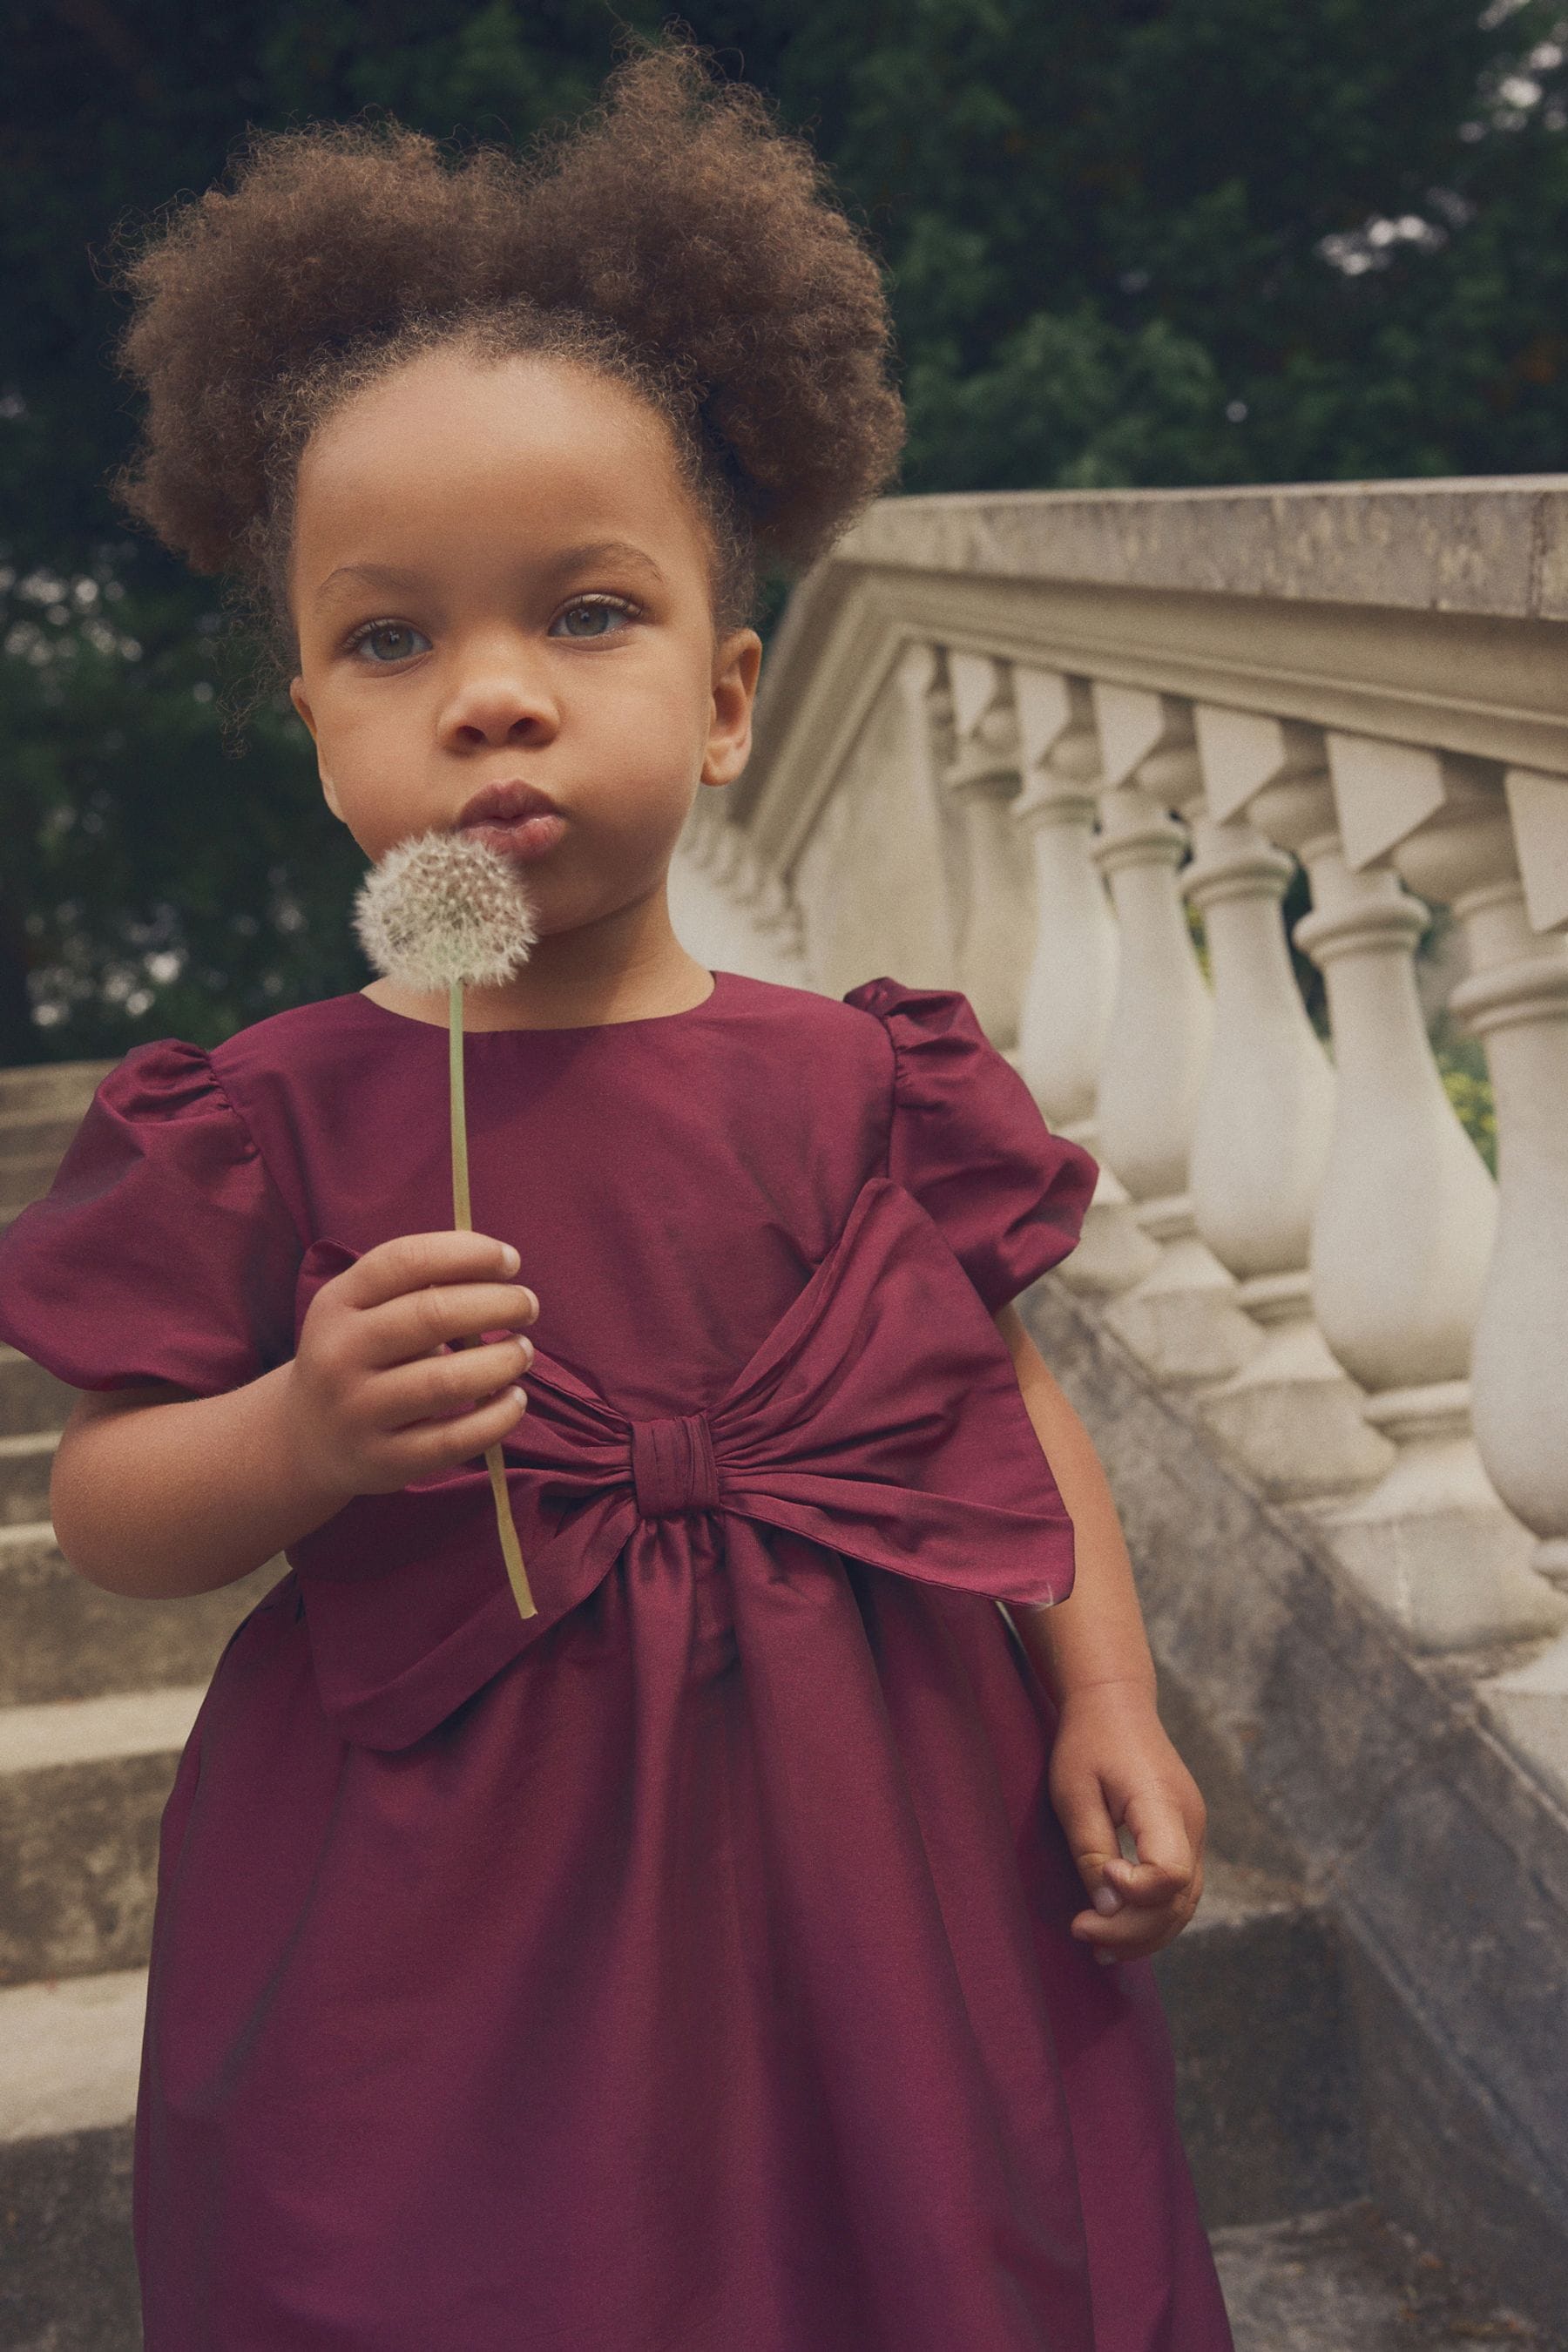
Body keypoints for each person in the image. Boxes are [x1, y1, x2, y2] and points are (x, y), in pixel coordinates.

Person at [0, 37, 1233, 2351]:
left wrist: (1104, 1700)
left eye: (585, 614)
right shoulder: (264, 1114)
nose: (492, 696)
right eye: (394, 639)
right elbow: (109, 1504)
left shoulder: (860, 1077)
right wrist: (299, 1432)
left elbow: (997, 1408)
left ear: (736, 694)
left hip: (884, 1848)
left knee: (937, 2246)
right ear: (312, 719)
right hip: (433, 1891)